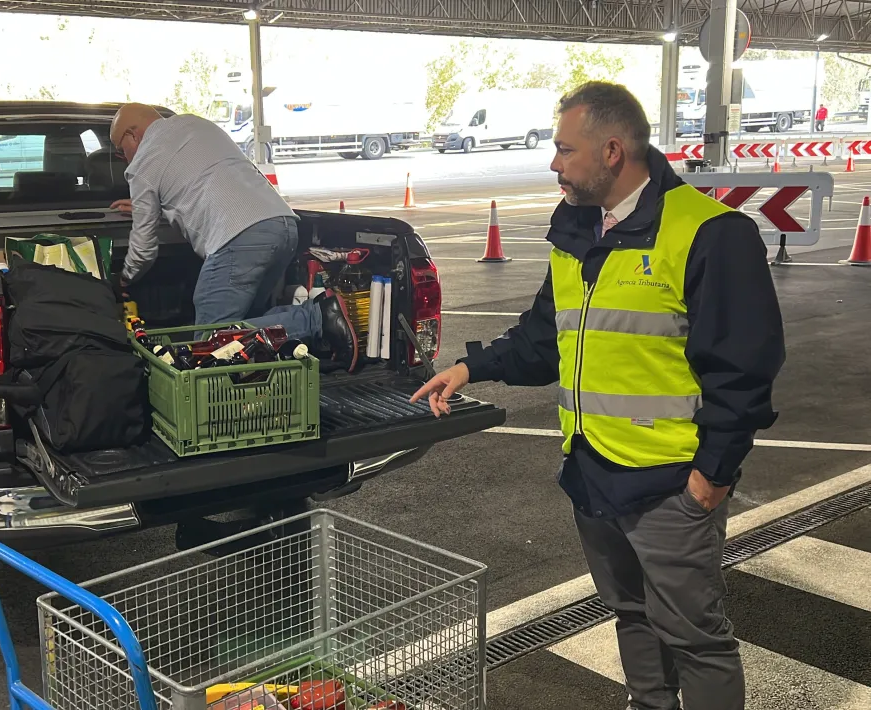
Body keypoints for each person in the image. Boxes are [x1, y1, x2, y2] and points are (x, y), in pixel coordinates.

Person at [412, 82, 785, 710]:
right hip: (592, 470)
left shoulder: (710, 233)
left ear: (612, 152)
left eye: (565, 150)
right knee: (630, 614)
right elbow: (543, 338)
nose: (553, 163)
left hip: (671, 483)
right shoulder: (577, 231)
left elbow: (744, 369)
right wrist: (470, 368)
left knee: (696, 638)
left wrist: (711, 478)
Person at [108, 103, 359, 369]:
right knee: (246, 326)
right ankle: (321, 323)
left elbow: (144, 247)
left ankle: (317, 318)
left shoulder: (144, 161)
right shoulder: (197, 124)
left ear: (133, 135)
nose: (124, 158)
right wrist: (150, 207)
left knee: (212, 343)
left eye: (120, 150)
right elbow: (201, 180)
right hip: (282, 225)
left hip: (239, 239)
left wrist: (123, 279)